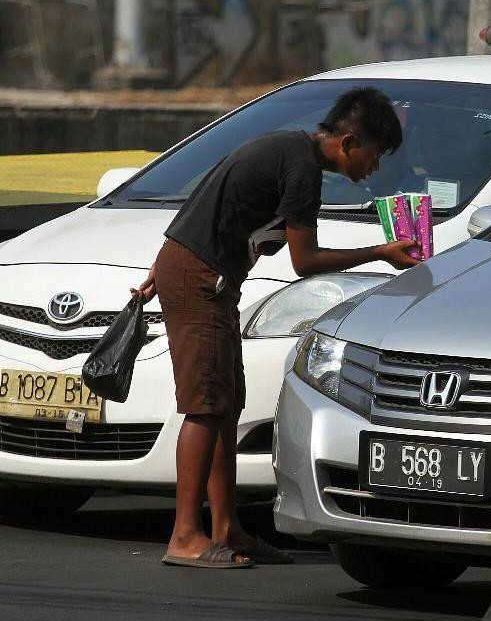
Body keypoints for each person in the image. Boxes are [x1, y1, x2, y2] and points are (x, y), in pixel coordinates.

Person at [130, 87, 420, 568]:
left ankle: (227, 529)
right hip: (198, 277)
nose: (375, 167)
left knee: (224, 405)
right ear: (349, 142)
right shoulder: (303, 170)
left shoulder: (283, 146)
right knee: (204, 406)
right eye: (375, 154)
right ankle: (185, 536)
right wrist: (381, 254)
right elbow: (305, 262)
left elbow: (214, 200)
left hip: (197, 271)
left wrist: (165, 266)